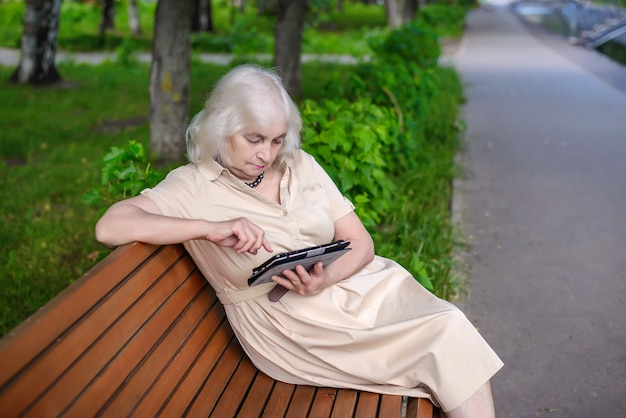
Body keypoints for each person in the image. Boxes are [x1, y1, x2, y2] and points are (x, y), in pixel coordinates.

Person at [95, 64, 503, 417]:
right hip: (292, 324)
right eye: (254, 139)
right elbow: (111, 226)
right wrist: (207, 227)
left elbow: (360, 245)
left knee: (449, 326)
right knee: (446, 337)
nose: (267, 154)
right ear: (221, 128)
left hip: (357, 291)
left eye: (276, 140)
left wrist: (324, 278)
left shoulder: (301, 165)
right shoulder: (191, 186)